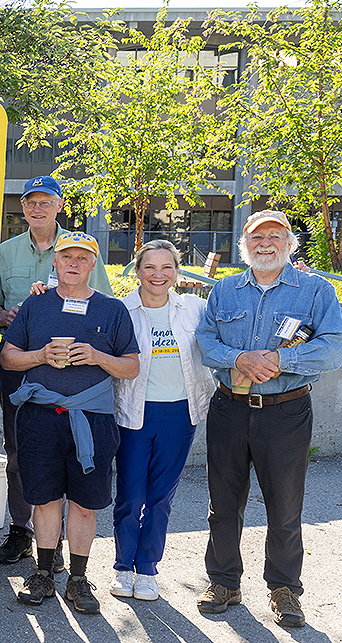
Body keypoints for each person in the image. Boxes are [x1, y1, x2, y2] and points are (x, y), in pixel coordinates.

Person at [194, 210, 342, 628]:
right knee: (222, 505)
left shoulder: (315, 291)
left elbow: (333, 348)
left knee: (284, 506)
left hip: (286, 413)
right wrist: (238, 357)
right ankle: (224, 582)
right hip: (229, 408)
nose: (265, 244)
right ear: (245, 245)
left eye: (274, 236)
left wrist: (281, 359)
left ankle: (284, 589)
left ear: (288, 242)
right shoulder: (224, 291)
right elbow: (206, 342)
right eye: (257, 237)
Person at [0, 231, 138, 616]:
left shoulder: (112, 310)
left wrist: (96, 356)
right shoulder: (35, 305)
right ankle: (43, 572)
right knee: (43, 499)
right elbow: (8, 358)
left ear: (94, 264)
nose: (73, 263)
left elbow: (131, 366)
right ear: (54, 263)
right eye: (66, 257)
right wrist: (41, 355)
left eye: (82, 257)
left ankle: (78, 578)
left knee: (84, 503)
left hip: (91, 420)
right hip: (40, 418)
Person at [0, 175, 112, 568]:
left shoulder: (80, 250)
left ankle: (55, 542)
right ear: (22, 208)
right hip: (20, 362)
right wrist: (4, 315)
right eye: (30, 202)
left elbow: (103, 302)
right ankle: (23, 531)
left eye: (45, 202)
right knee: (18, 451)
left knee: (66, 449)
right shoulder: (6, 252)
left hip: (72, 370)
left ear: (59, 205)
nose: (37, 208)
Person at [108, 240, 214, 602]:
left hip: (179, 415)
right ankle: (123, 566)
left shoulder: (195, 309)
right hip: (134, 412)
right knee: (130, 493)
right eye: (149, 267)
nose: (158, 274)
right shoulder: (121, 310)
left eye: (166, 267)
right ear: (136, 271)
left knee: (160, 497)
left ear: (177, 271)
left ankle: (148, 568)